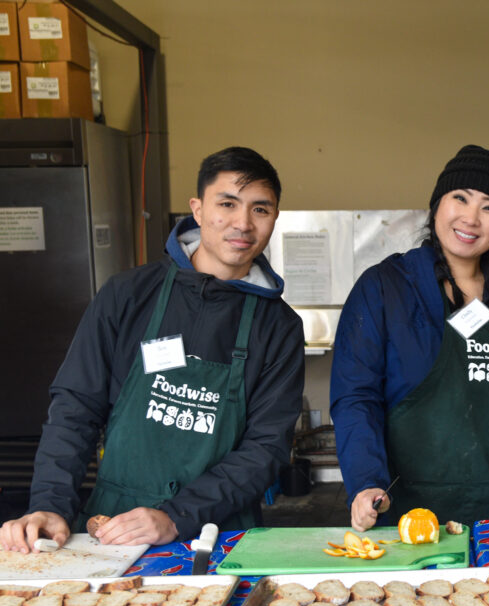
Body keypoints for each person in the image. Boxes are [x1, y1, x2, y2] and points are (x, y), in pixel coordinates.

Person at [0, 147, 304, 552]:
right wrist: (50, 503)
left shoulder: (279, 326)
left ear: (274, 218)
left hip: (223, 532)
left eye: (260, 210)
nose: (242, 223)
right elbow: (76, 407)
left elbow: (266, 447)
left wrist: (177, 516)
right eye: (227, 204)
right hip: (113, 526)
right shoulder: (127, 295)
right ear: (197, 209)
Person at [331, 144, 489, 531]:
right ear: (437, 204)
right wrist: (366, 480)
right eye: (460, 198)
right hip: (410, 514)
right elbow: (356, 396)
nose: (471, 218)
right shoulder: (386, 288)